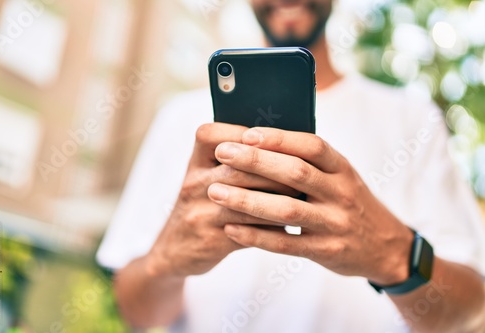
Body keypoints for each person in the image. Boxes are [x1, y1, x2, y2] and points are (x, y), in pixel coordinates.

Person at [96, 0, 485, 332]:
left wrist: (393, 255)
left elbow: (471, 310)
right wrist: (166, 262)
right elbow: (138, 314)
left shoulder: (412, 120)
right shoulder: (179, 120)